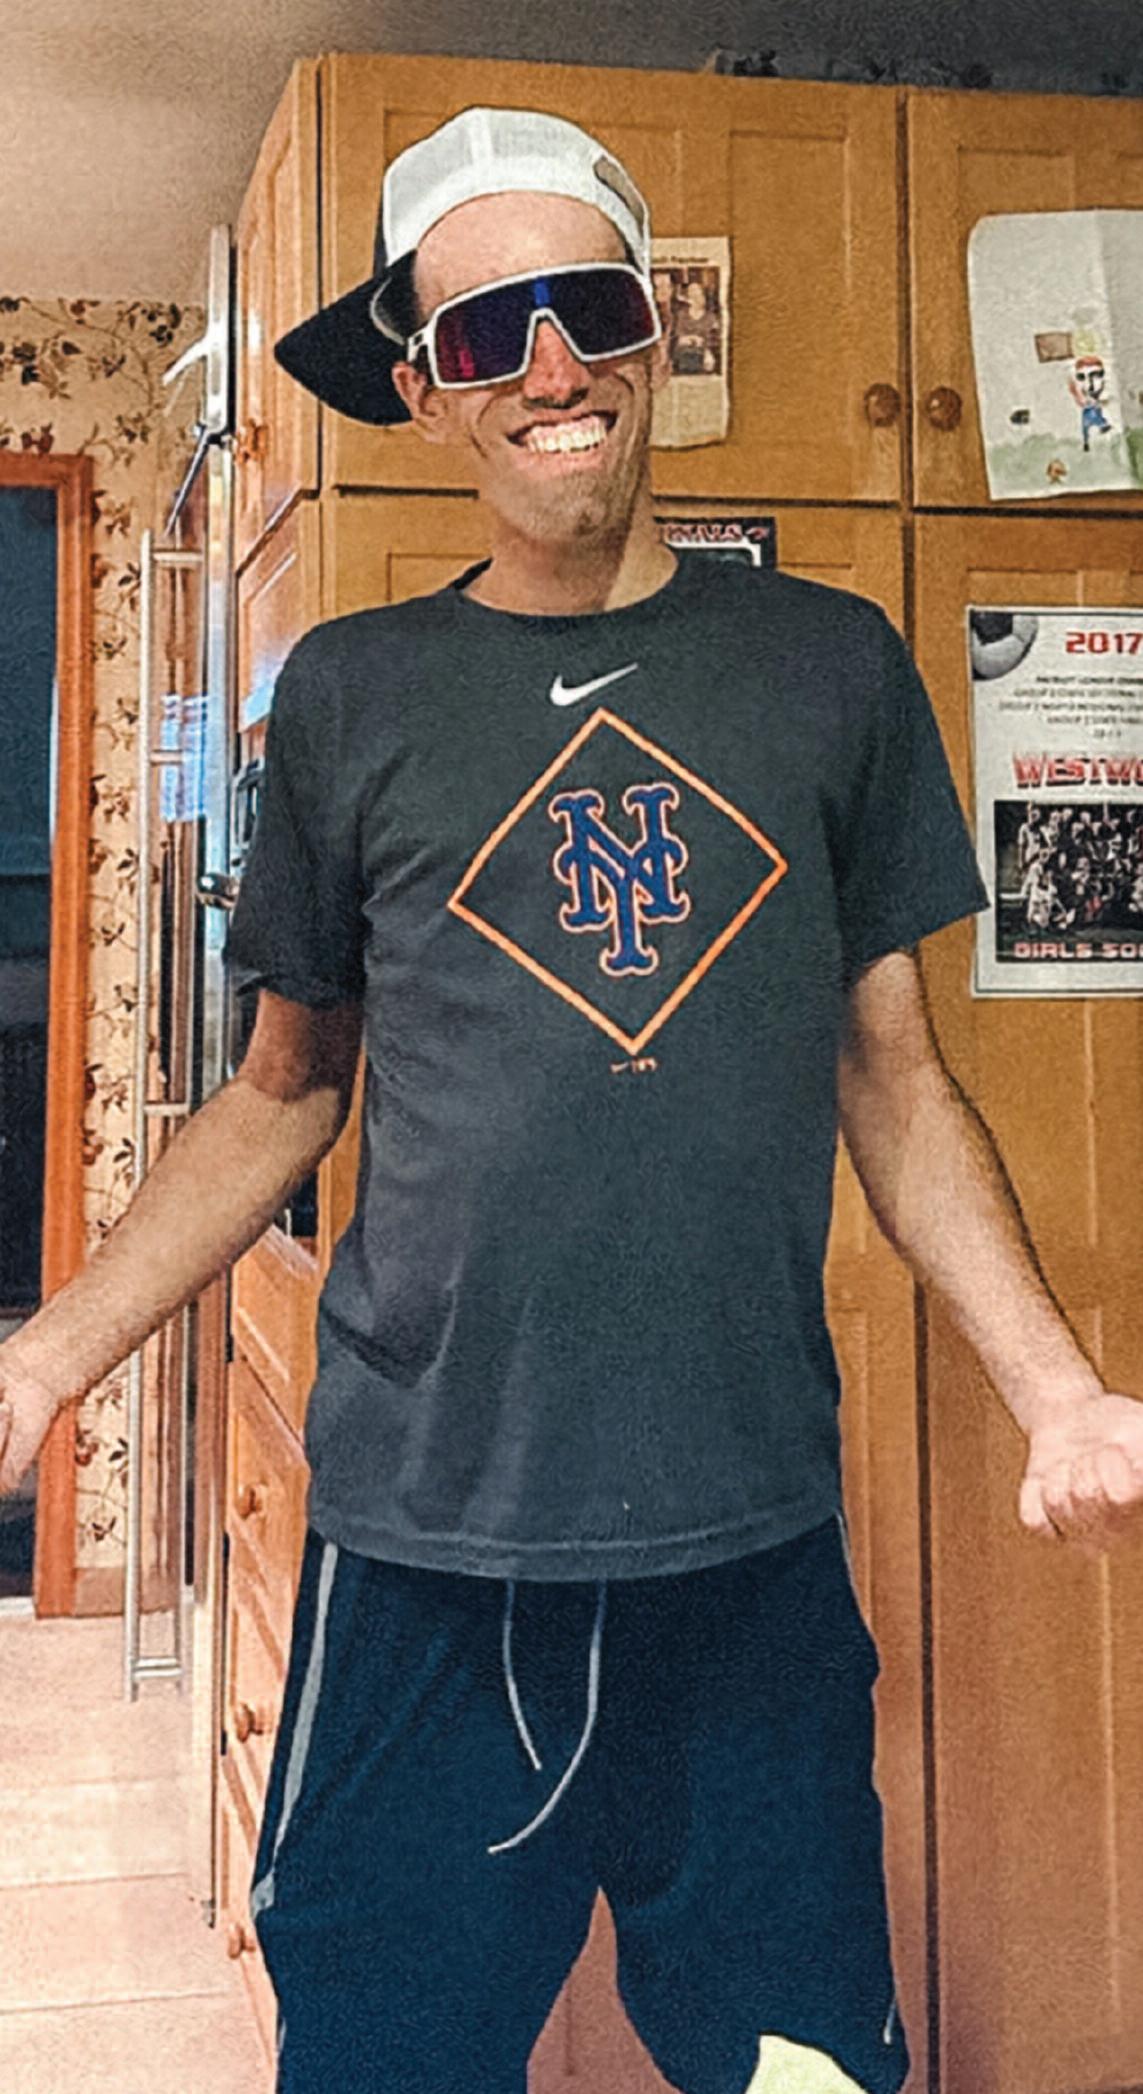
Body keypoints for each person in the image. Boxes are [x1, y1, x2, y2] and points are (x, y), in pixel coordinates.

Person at [3, 102, 1143, 2094]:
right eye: (482, 331)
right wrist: (44, 1359)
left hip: (747, 1552)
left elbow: (894, 1079)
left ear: (650, 337)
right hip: (424, 1558)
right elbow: (281, 1096)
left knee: (801, 2070)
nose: (547, 367)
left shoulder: (829, 665)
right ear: (429, 392)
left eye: (587, 309)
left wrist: (1056, 1389)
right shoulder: (347, 693)